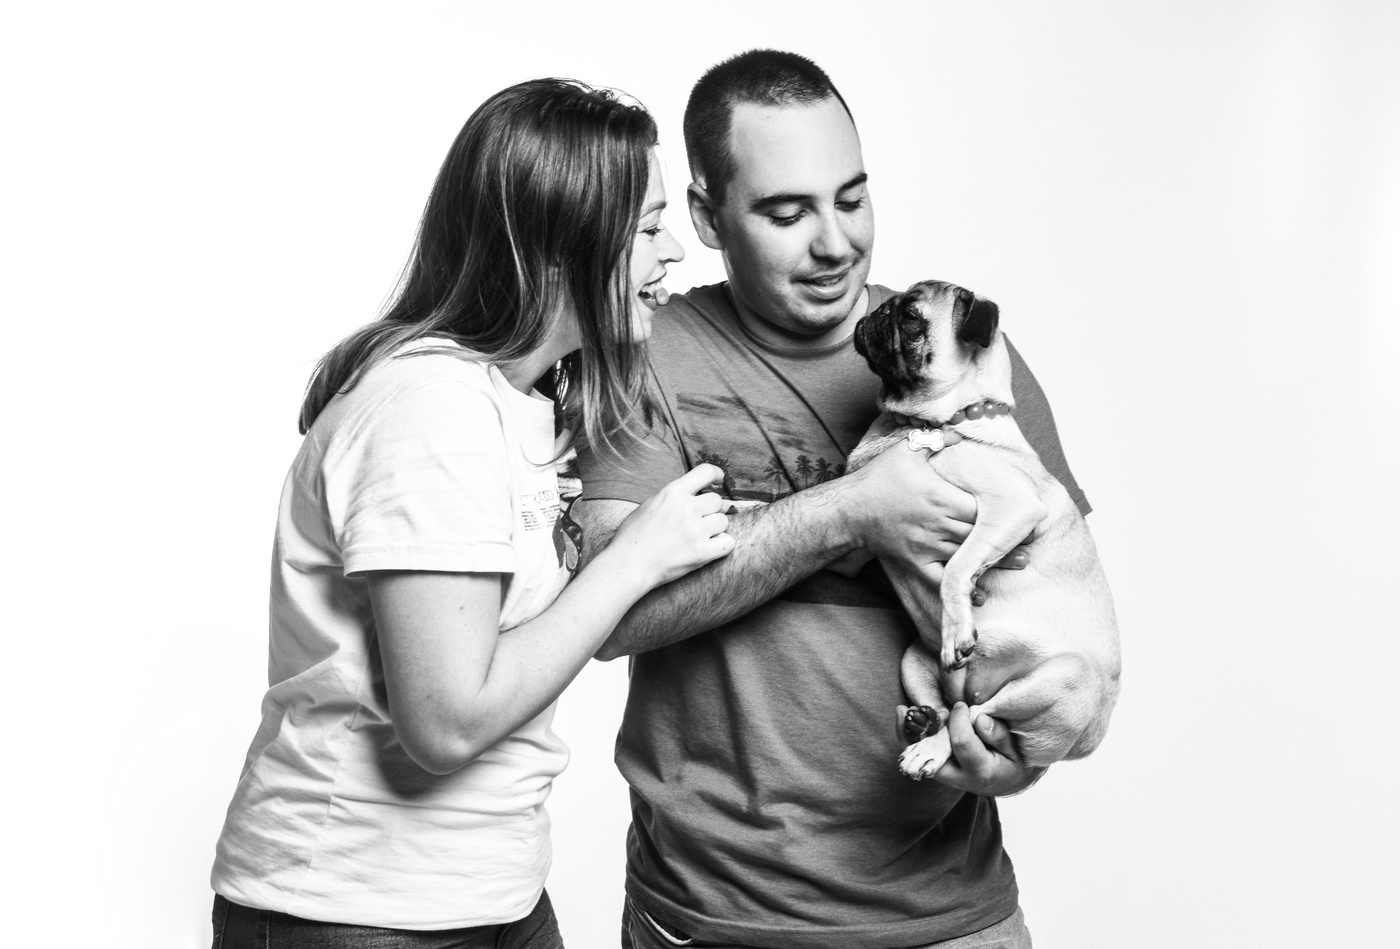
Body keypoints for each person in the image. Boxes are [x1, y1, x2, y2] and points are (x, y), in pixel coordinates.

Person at [573, 51, 1092, 949]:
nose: (835, 243)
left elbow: (1058, 605)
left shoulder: (964, 360)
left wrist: (1013, 758)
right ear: (706, 216)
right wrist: (849, 509)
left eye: (852, 200)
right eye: (787, 213)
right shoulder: (645, 354)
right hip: (708, 918)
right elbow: (610, 614)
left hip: (950, 917)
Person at [209, 78, 734, 949]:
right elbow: (447, 721)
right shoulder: (432, 408)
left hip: (497, 896)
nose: (674, 250)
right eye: (648, 228)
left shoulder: (523, 400)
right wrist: (633, 560)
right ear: (560, 245)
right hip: (354, 912)